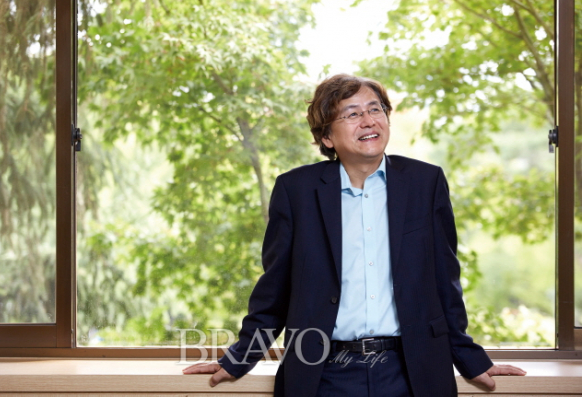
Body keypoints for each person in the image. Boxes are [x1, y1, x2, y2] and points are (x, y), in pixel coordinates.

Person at [183, 74, 526, 396]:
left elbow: (445, 282)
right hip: (323, 374)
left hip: (411, 372)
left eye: (375, 109)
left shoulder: (425, 182)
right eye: (351, 114)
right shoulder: (296, 191)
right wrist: (238, 358)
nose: (368, 120)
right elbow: (275, 289)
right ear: (326, 137)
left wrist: (470, 358)